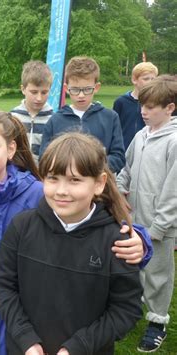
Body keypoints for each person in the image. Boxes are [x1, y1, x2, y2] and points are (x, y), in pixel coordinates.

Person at [0, 108, 149, 355]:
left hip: (26, 336)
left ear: (11, 149)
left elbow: (96, 217)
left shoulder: (40, 194)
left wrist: (140, 239)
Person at [0, 132, 143, 355]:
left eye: (75, 180)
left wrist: (79, 346)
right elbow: (1, 285)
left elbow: (126, 309)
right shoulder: (22, 227)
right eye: (53, 178)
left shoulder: (117, 242)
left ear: (99, 183)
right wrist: (26, 339)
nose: (61, 190)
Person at [116, 76, 177, 353]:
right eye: (143, 105)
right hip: (135, 220)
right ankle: (133, 311)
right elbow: (127, 169)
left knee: (158, 273)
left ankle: (157, 323)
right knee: (135, 268)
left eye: (152, 107)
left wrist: (159, 228)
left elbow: (172, 192)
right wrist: (118, 190)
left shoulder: (174, 141)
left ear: (170, 108)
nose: (144, 111)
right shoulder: (141, 135)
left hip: (160, 225)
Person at [39, 56, 125, 173]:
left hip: (101, 186)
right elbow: (44, 158)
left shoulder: (110, 118)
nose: (81, 95)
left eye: (87, 89)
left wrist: (92, 169)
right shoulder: (55, 120)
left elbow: (119, 157)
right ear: (66, 88)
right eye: (75, 90)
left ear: (97, 87)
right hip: (66, 185)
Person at [11, 60, 54, 164]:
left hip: (43, 175)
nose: (39, 98)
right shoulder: (13, 117)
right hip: (18, 174)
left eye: (44, 92)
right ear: (23, 89)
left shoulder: (54, 119)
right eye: (34, 92)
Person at [113, 62, 158, 150]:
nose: (150, 82)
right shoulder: (121, 102)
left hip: (148, 149)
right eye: (146, 79)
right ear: (134, 80)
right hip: (124, 149)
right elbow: (114, 128)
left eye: (153, 79)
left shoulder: (158, 104)